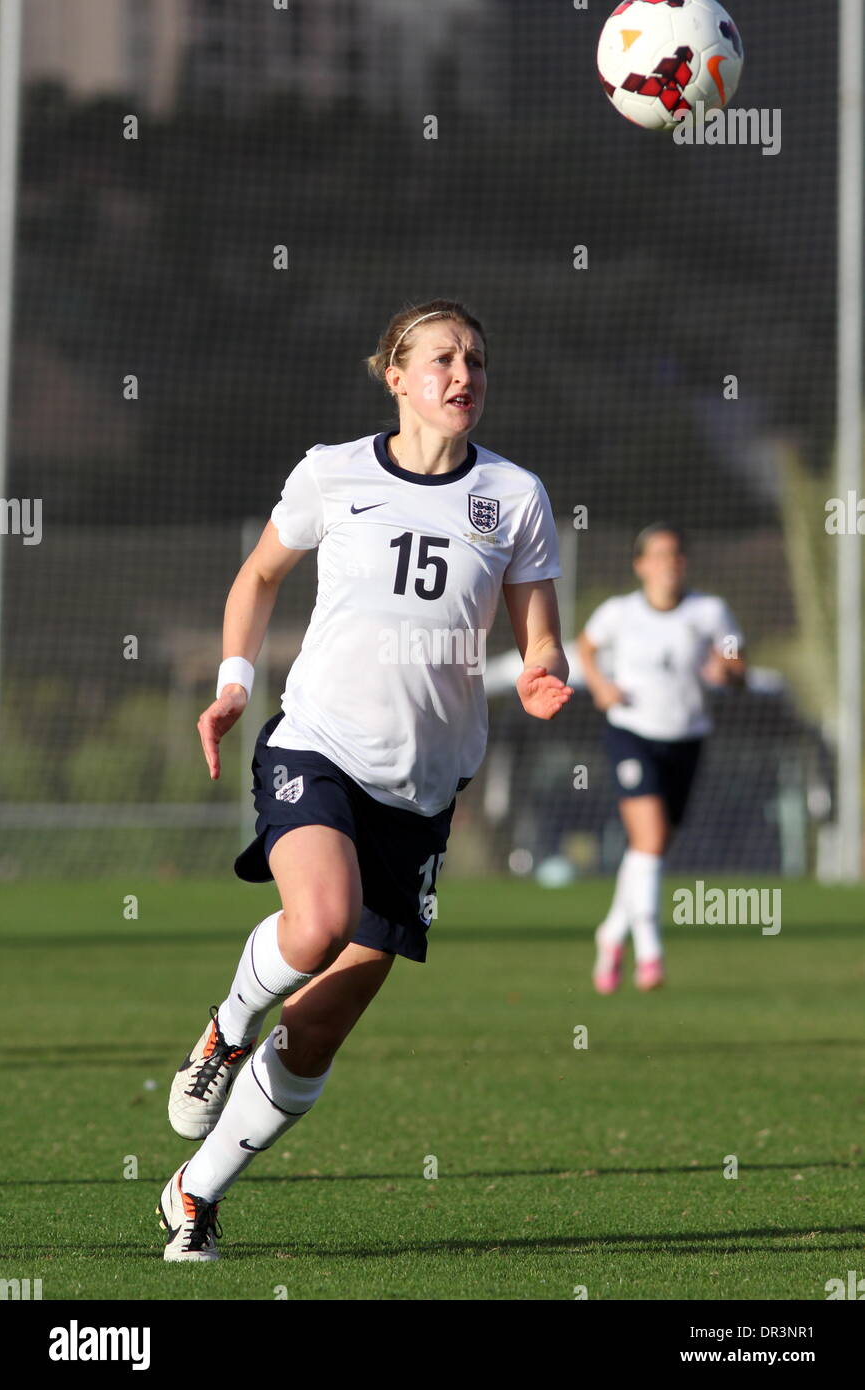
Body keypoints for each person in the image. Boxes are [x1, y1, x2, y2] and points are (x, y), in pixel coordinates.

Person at [157, 299, 572, 1259]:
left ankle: (192, 1196)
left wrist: (547, 671)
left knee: (321, 1030)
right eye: (440, 358)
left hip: (422, 795)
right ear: (395, 374)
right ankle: (223, 1030)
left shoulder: (514, 496)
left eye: (475, 359)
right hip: (317, 746)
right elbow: (259, 577)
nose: (462, 374)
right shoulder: (332, 473)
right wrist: (231, 685)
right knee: (317, 920)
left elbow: (539, 629)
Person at [577, 524, 745, 995]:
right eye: (659, 555)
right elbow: (586, 647)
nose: (669, 563)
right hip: (631, 732)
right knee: (648, 836)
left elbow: (737, 663)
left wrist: (727, 670)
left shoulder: (710, 612)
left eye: (676, 554)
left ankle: (611, 933)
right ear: (641, 565)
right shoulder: (619, 613)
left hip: (686, 738)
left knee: (650, 847)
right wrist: (601, 684)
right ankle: (649, 951)